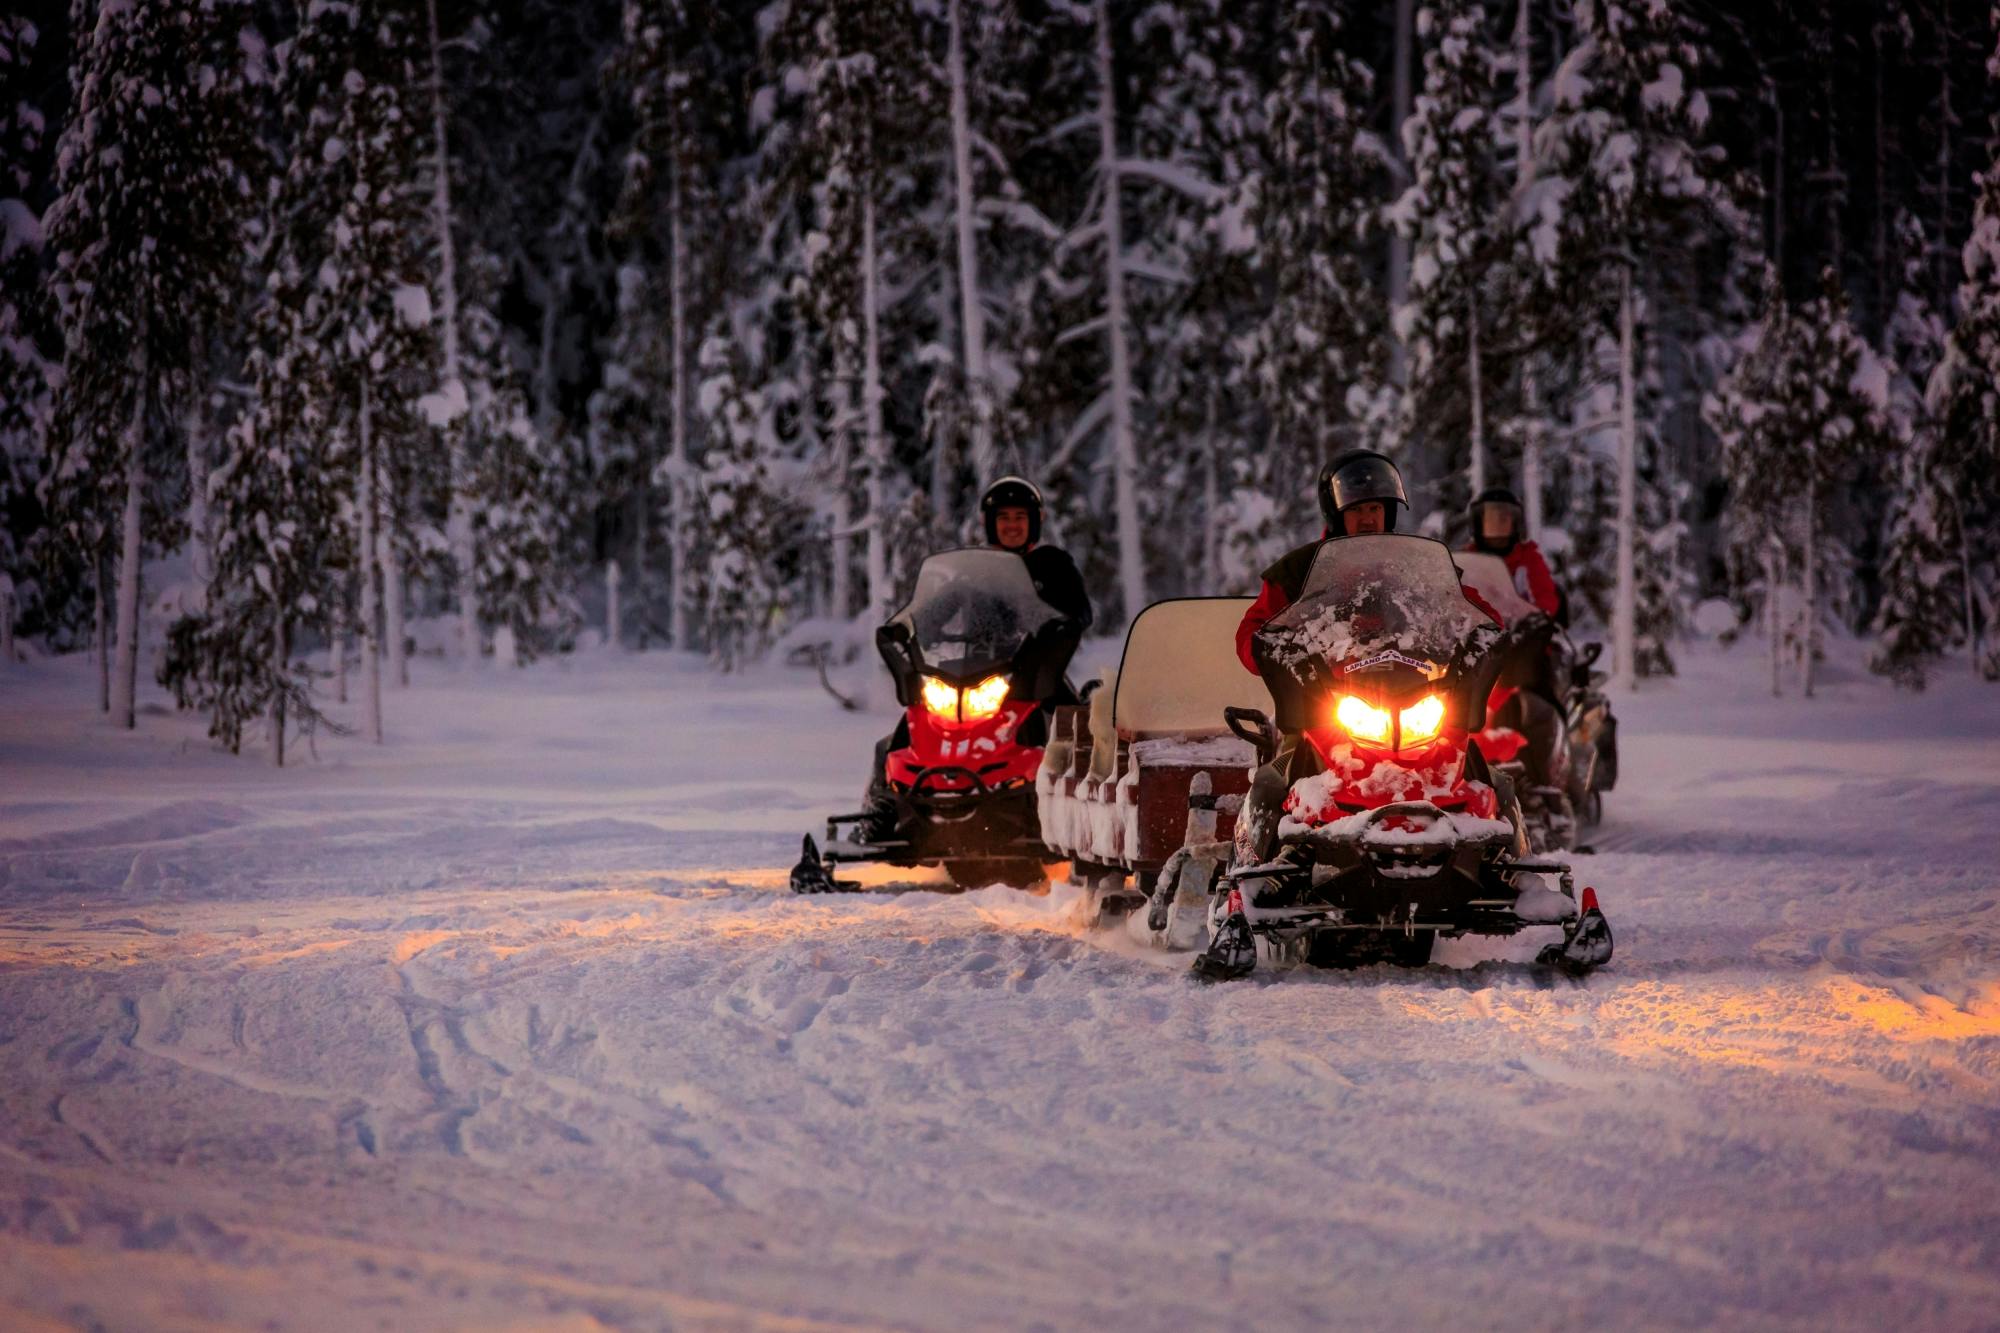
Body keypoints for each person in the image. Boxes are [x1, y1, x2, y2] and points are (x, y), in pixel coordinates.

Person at [854, 477, 1090, 842]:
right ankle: (879, 815)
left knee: (1073, 724)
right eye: (1004, 517)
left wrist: (1058, 625)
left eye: (1019, 517)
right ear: (990, 522)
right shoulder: (978, 573)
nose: (1011, 525)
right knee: (912, 725)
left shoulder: (1052, 565)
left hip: (1034, 668)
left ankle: (1082, 818)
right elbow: (940, 607)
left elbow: (1079, 611)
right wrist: (908, 627)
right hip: (978, 669)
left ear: (1034, 521)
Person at [1235, 449, 1423, 673]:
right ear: (1336, 514)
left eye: (1375, 508)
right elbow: (1254, 628)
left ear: (1388, 512)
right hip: (1325, 692)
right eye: (1355, 510)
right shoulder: (1300, 568)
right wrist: (1265, 649)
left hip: (1415, 689)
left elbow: (1462, 601)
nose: (1367, 519)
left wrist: (1474, 632)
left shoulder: (1413, 563)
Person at [1466, 485, 1562, 621]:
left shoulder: (1528, 559)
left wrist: (1535, 619)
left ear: (1515, 524)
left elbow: (1545, 598)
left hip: (1522, 635)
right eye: (1491, 520)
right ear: (1479, 523)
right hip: (1476, 635)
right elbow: (1456, 597)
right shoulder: (1468, 561)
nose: (1497, 526)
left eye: (1503, 520)